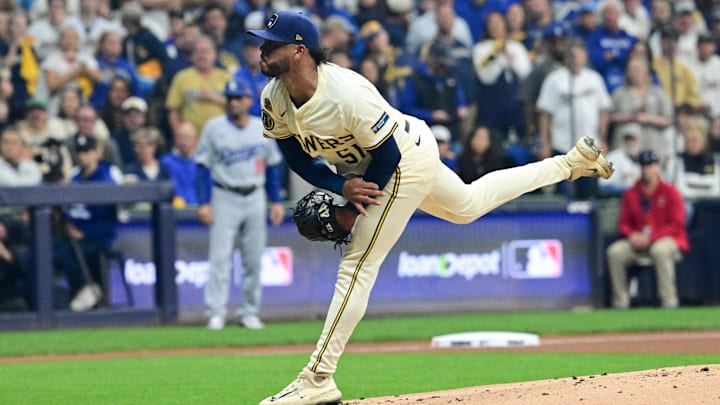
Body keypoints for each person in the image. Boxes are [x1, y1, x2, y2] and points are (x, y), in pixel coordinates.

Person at [246, 11, 614, 404]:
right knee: (468, 205)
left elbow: (386, 157)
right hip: (382, 160)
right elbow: (297, 159)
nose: (261, 49)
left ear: (299, 50)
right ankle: (569, 163)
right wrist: (340, 186)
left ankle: (318, 377)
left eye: (271, 43)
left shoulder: (346, 93)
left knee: (357, 264)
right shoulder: (274, 96)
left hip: (401, 159)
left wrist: (351, 212)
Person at [194, 78, 285, 331]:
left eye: (238, 98)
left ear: (248, 100)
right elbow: (202, 167)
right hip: (225, 195)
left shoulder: (262, 126)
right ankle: (216, 313)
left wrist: (275, 200)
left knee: (254, 259)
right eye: (229, 97)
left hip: (255, 194)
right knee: (220, 258)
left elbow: (273, 167)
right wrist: (204, 202)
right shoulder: (214, 127)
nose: (233, 102)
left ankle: (249, 312)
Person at [606, 149, 688, 309]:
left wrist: (652, 237)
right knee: (615, 252)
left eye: (650, 165)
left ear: (658, 167)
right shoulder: (631, 193)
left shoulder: (670, 192)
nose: (647, 169)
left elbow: (677, 224)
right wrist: (631, 236)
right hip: (638, 241)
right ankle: (620, 303)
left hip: (667, 239)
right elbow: (623, 223)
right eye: (644, 166)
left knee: (660, 251)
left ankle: (668, 301)